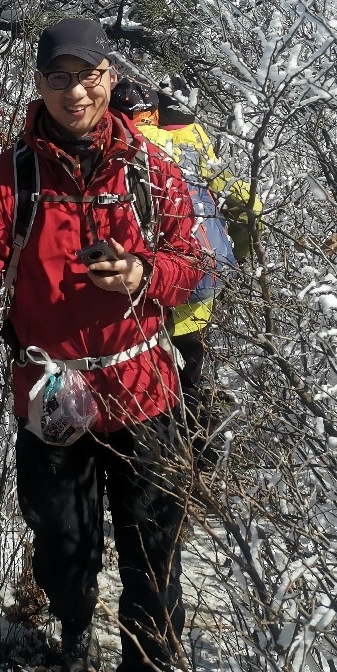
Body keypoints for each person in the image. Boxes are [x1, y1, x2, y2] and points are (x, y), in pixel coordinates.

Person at [0, 17, 209, 672]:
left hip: (145, 385)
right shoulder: (8, 177)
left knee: (154, 556)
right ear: (39, 84)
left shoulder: (153, 171)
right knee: (63, 546)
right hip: (51, 394)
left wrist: (145, 275)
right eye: (58, 76)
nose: (75, 89)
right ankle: (73, 623)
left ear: (109, 76)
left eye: (87, 73)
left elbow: (196, 264)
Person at [110, 76, 262, 465]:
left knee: (150, 391)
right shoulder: (192, 143)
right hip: (200, 285)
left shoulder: (120, 150)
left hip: (146, 296)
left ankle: (164, 468)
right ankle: (202, 464)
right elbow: (249, 206)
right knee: (190, 379)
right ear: (154, 111)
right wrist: (234, 258)